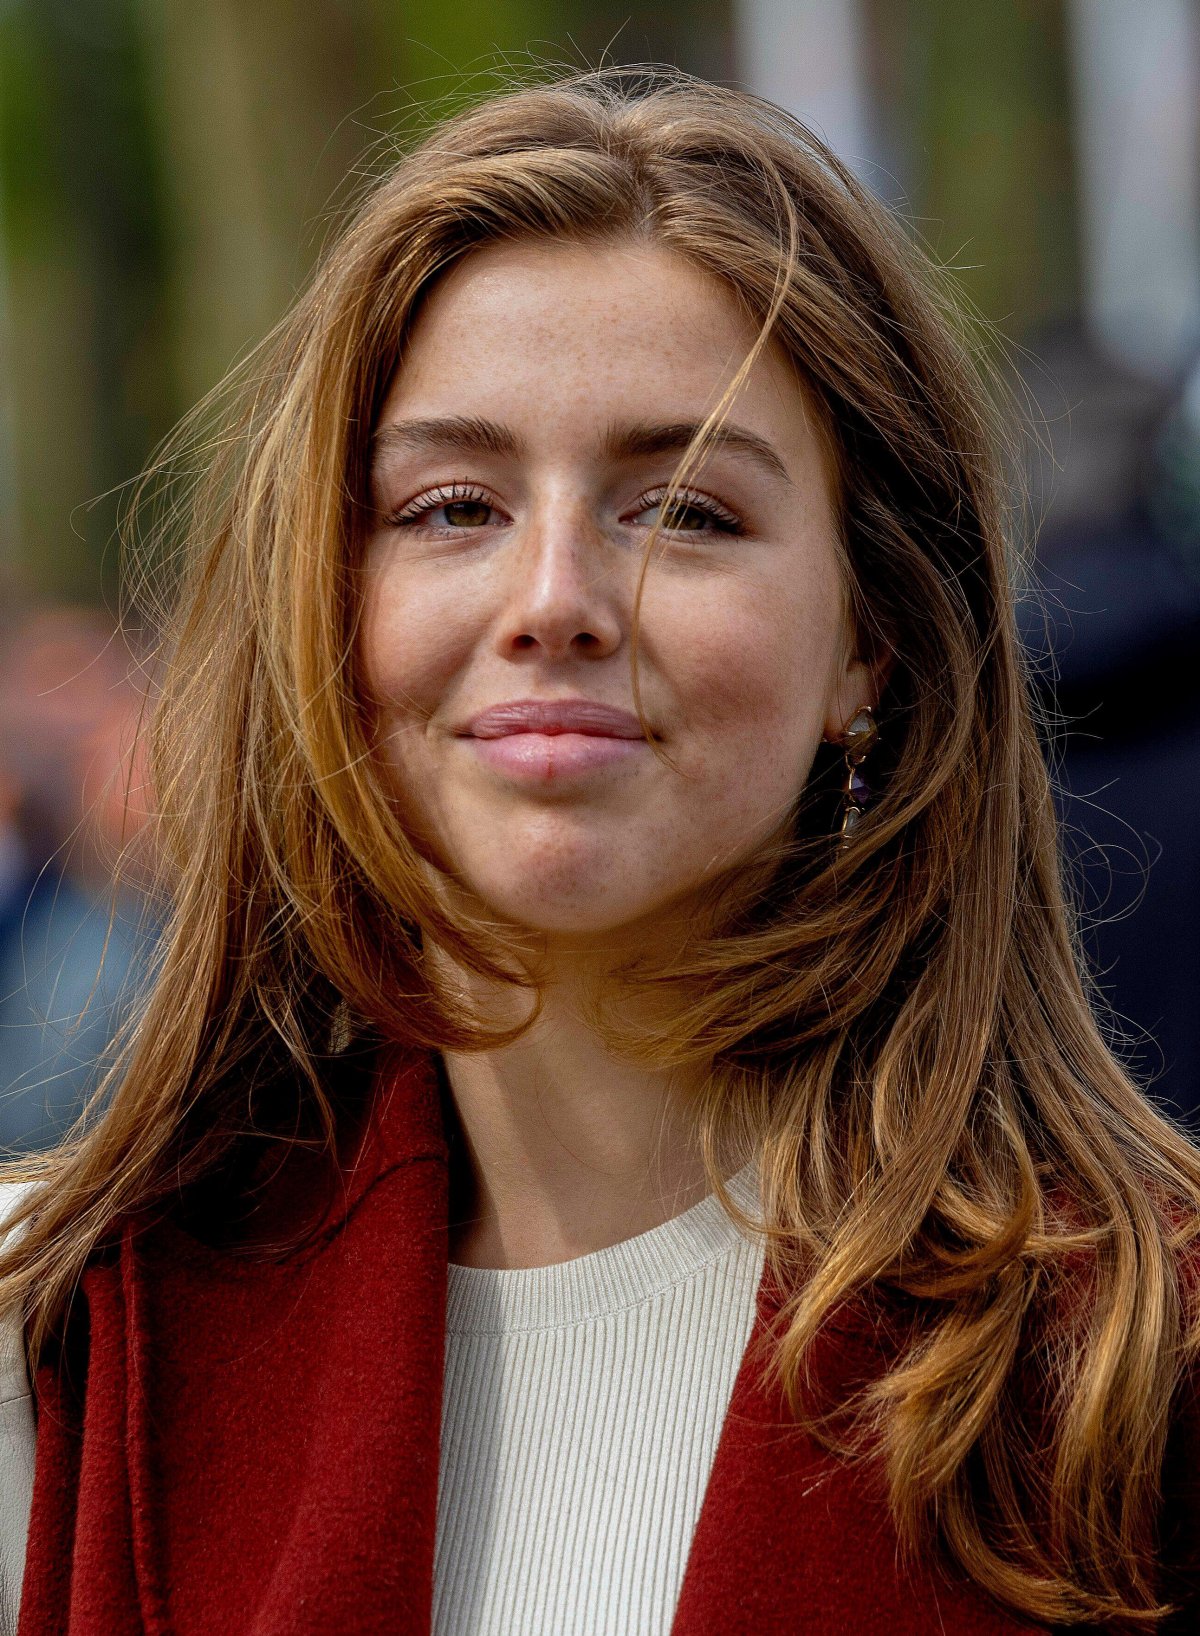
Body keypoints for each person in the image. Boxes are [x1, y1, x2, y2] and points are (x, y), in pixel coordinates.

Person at [1, 66, 1198, 1634]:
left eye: (686, 510)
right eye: (451, 507)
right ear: (328, 608)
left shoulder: (1137, 1368)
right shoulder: (68, 1350)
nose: (555, 597)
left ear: (874, 642)